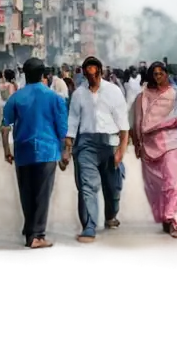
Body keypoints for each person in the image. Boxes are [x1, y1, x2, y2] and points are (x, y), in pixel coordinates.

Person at [2, 57, 68, 250]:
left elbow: (5, 126)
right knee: (42, 194)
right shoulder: (54, 98)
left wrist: (7, 150)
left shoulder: (16, 98)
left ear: (25, 74)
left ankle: (30, 229)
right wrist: (65, 153)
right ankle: (36, 235)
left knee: (26, 193)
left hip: (23, 151)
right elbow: (63, 129)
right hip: (47, 151)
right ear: (43, 75)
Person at [63, 56, 129, 243]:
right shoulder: (78, 94)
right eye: (88, 73)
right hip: (86, 145)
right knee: (88, 186)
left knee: (113, 187)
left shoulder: (114, 91)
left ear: (100, 72)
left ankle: (110, 215)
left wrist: (120, 151)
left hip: (110, 143)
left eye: (95, 73)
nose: (92, 77)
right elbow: (73, 122)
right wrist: (67, 151)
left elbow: (123, 123)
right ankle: (90, 225)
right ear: (83, 73)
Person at [131, 61, 177, 238]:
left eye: (161, 73)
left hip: (171, 143)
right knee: (155, 186)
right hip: (149, 145)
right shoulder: (143, 97)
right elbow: (138, 122)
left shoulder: (176, 94)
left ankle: (172, 219)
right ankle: (165, 217)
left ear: (166, 74)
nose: (158, 77)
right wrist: (138, 144)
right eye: (155, 74)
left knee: (173, 182)